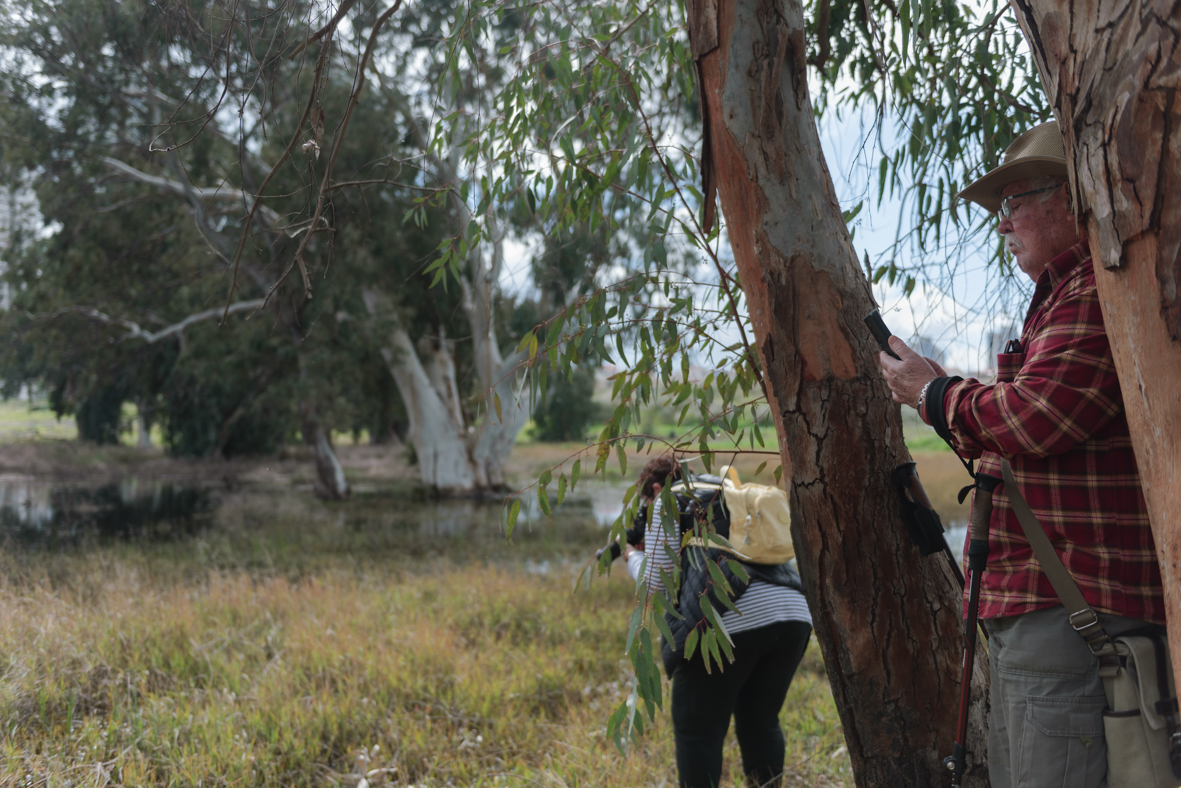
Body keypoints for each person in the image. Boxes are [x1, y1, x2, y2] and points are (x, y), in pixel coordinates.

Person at [878, 120, 1165, 787]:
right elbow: (1020, 433)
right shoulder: (1062, 298)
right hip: (1052, 605)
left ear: (1068, 199)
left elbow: (1035, 419)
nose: (1002, 225)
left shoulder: (1093, 292)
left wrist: (931, 391)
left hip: (1067, 607)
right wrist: (943, 396)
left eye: (1013, 204)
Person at [624, 455, 813, 788]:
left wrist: (634, 555)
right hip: (791, 610)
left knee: (697, 733)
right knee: (761, 723)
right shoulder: (727, 492)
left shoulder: (665, 502)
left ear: (656, 487)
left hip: (728, 620)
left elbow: (655, 583)